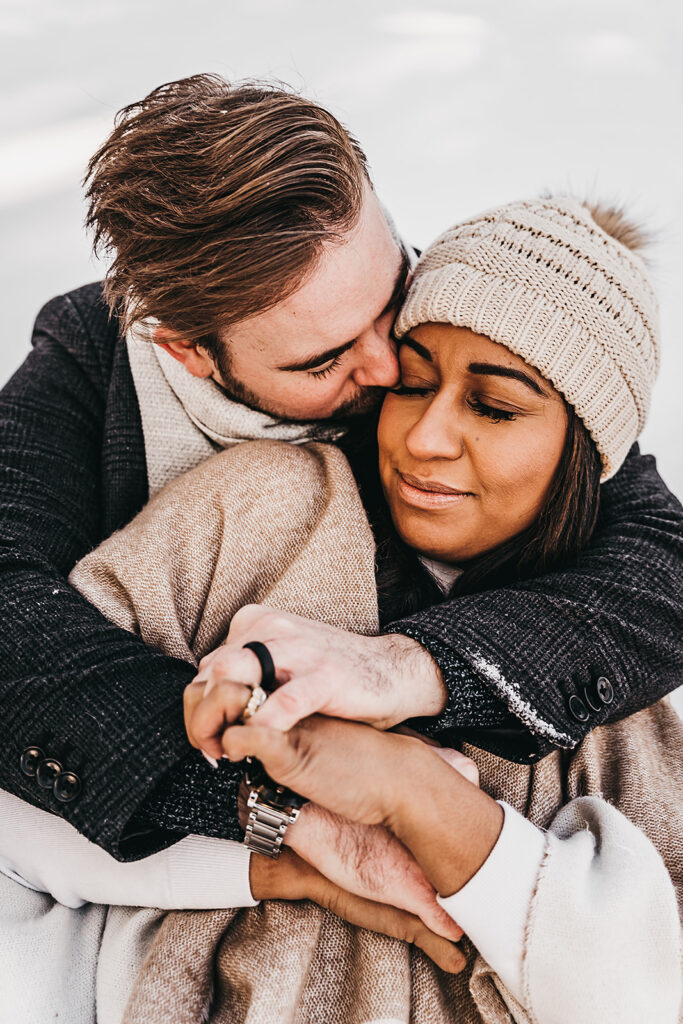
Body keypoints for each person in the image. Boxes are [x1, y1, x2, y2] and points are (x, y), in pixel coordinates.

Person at [2, 197, 681, 1024]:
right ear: (187, 350)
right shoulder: (242, 510)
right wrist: (272, 837)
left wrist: (422, 794)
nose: (417, 427)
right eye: (414, 378)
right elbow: (26, 786)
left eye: (494, 408)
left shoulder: (609, 654)